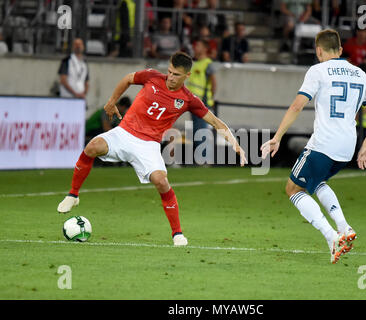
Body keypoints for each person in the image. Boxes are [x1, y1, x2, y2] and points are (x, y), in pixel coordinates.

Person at [57, 51, 247, 246]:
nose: (171, 77)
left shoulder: (188, 99)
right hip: (125, 133)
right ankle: (73, 195)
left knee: (161, 181)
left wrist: (235, 143)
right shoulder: (152, 77)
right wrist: (112, 101)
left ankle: (177, 234)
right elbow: (128, 79)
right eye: (170, 72)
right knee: (92, 146)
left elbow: (215, 121)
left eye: (176, 75)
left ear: (187, 76)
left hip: (148, 145)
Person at [261, 29, 366, 264]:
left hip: (324, 143)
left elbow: (297, 106)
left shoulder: (317, 70)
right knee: (317, 182)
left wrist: (277, 136)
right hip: (347, 147)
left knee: (293, 189)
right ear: (340, 50)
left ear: (318, 50)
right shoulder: (360, 73)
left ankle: (332, 236)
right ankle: (344, 227)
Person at [186, 39, 217, 159]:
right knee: (197, 129)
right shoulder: (194, 63)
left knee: (200, 129)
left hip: (201, 102)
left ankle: (203, 158)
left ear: (205, 48)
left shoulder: (207, 63)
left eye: (197, 45)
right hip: (191, 101)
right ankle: (201, 157)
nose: (195, 47)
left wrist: (210, 99)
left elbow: (214, 82)